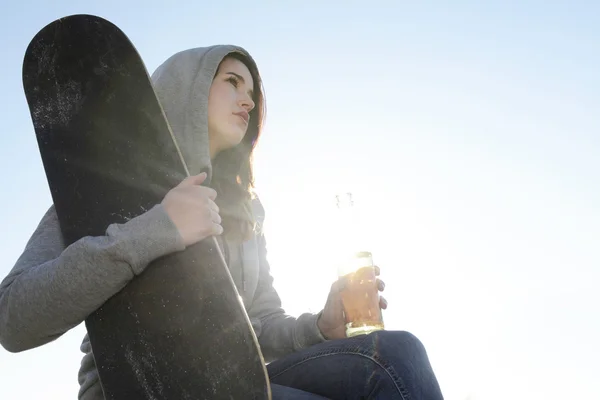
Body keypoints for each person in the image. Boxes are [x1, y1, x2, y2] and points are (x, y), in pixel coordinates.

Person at [0, 44, 444, 399]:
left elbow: (260, 325)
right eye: (232, 82)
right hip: (139, 388)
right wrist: (157, 229)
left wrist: (320, 327)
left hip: (235, 381)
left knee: (397, 355)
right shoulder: (105, 188)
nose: (249, 100)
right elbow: (12, 317)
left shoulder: (246, 215)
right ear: (185, 92)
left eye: (251, 91)